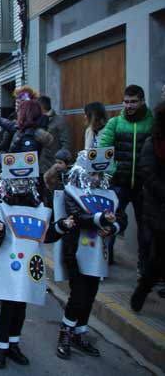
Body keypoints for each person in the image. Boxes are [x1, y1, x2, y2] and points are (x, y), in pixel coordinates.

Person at [0, 151, 73, 369]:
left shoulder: (38, 205)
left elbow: (45, 234)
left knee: (21, 306)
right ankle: (1, 347)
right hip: (5, 264)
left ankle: (14, 344)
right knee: (8, 306)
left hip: (29, 265)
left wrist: (61, 226)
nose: (20, 183)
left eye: (25, 179)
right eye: (16, 179)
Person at [53, 147, 126, 360]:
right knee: (78, 294)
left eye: (99, 174)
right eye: (92, 174)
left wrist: (112, 228)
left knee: (90, 295)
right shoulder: (71, 191)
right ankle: (65, 334)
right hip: (75, 250)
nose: (95, 178)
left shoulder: (109, 194)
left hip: (98, 254)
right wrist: (100, 219)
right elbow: (76, 217)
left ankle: (80, 333)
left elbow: (122, 217)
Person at [100, 84, 154, 274]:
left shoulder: (153, 123)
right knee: (109, 222)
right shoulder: (114, 123)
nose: (129, 105)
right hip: (119, 183)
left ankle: (144, 266)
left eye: (133, 102)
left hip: (145, 185)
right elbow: (103, 151)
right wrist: (111, 172)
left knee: (146, 228)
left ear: (142, 101)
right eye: (126, 101)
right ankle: (104, 260)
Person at [130, 101, 165, 311]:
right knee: (158, 259)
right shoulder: (153, 144)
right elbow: (148, 174)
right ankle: (143, 289)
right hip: (158, 209)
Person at [37, 96, 71, 176]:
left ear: (41, 107)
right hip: (38, 164)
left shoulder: (59, 121)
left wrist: (61, 162)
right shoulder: (37, 120)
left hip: (53, 165)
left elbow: (66, 143)